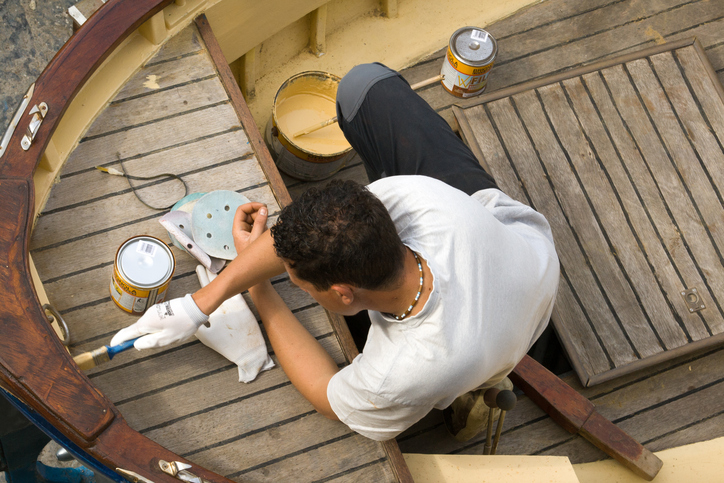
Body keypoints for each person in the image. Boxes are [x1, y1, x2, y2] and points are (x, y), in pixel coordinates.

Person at [111, 63, 560, 442]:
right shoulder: (425, 201)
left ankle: (477, 386)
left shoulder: (399, 373)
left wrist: (262, 294)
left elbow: (329, 394)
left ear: (343, 294)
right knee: (364, 86)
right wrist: (199, 304)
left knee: (425, 382)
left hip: (486, 340)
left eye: (298, 282)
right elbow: (305, 232)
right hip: (518, 246)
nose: (290, 280)